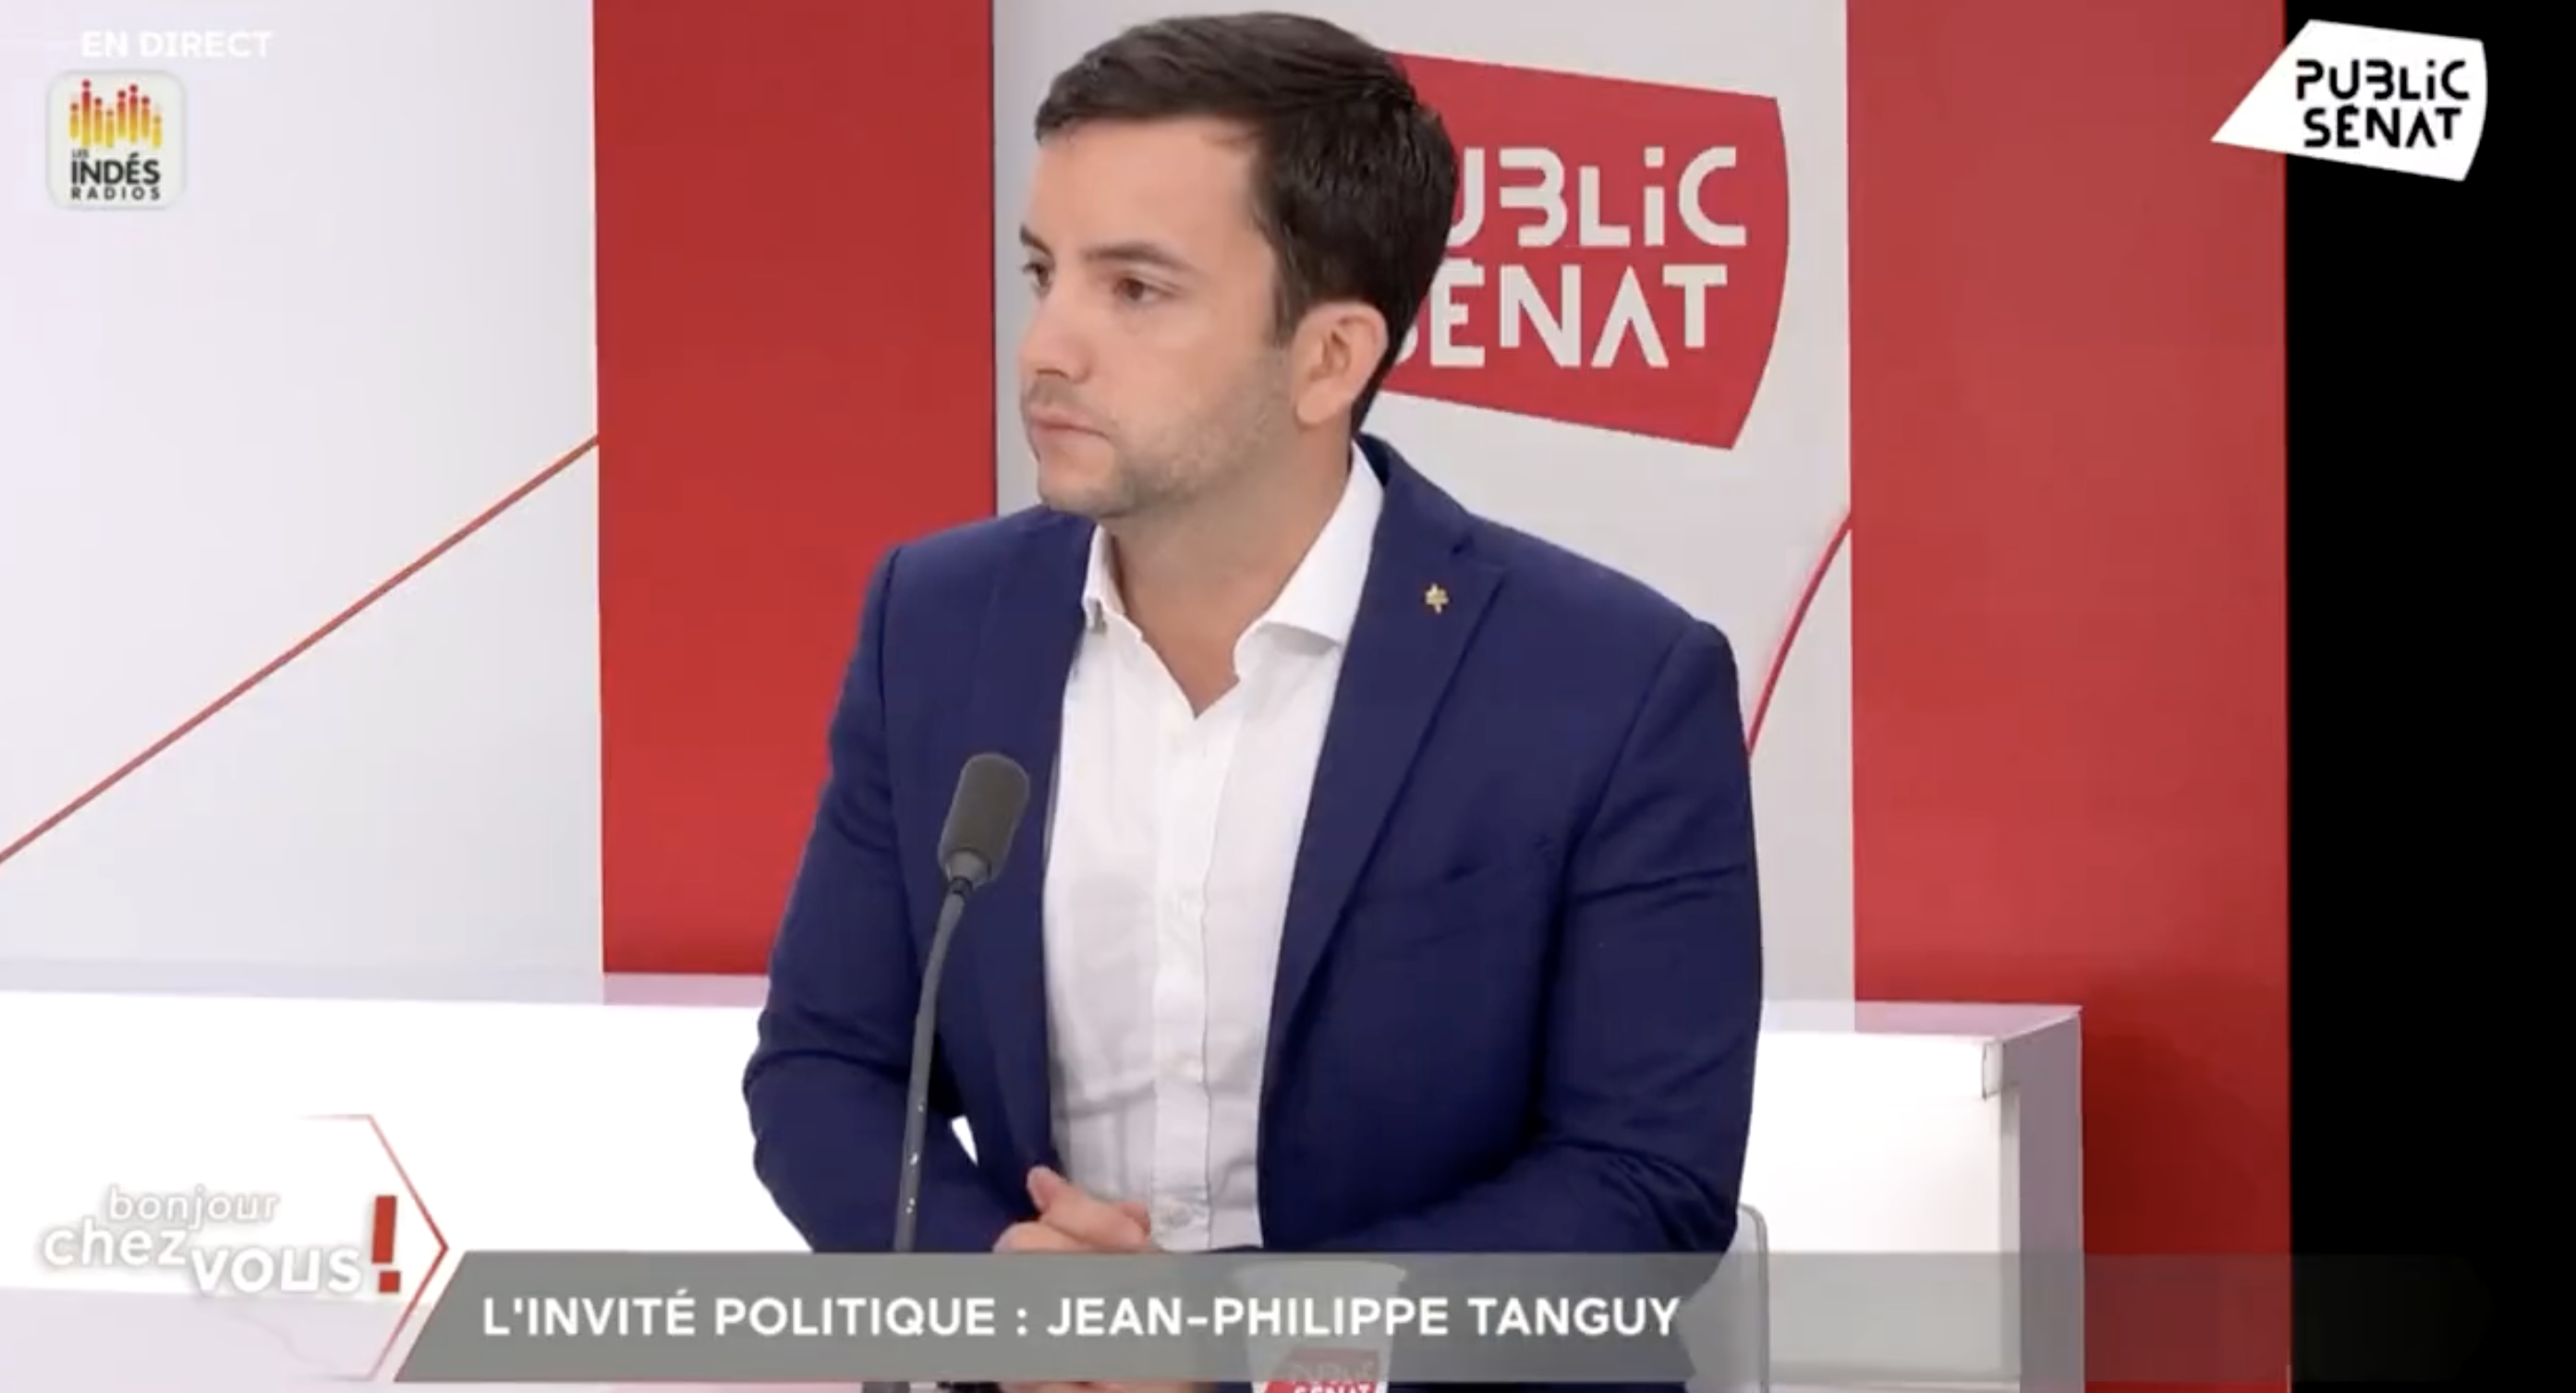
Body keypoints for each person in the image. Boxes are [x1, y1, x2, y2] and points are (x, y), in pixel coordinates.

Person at [747, 7, 1759, 1285]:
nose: (1047, 347)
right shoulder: (935, 624)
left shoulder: (1612, 688)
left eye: (1135, 289)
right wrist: (1002, 1277)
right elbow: (826, 1071)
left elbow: (1644, 1187)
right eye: (1044, 274)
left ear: (1329, 358)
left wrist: (1234, 1349)